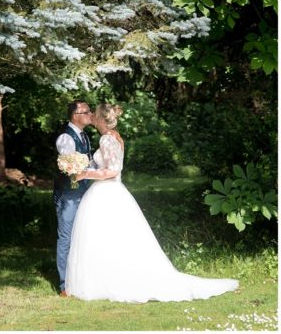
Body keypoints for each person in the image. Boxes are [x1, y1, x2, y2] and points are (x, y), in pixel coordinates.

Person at [65, 103, 239, 302]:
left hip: (107, 193)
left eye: (94, 114)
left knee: (108, 237)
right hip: (108, 192)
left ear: (103, 119)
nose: (92, 117)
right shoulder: (114, 137)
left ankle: (112, 281)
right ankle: (106, 278)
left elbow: (113, 171)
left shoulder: (107, 139)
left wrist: (84, 174)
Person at [53, 99, 95, 297]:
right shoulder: (65, 138)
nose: (90, 114)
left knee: (82, 235)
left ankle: (81, 279)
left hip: (84, 191)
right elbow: (69, 166)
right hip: (69, 194)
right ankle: (64, 285)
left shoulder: (84, 136)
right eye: (87, 111)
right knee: (66, 237)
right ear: (75, 115)